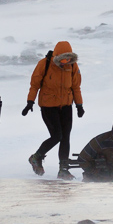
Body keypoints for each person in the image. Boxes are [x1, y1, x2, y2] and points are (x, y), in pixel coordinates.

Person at [23, 40, 83, 179]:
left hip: (66, 106)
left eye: (68, 58)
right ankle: (36, 157)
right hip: (48, 106)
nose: (65, 62)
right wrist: (29, 102)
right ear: (56, 56)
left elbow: (76, 87)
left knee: (65, 137)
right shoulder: (44, 64)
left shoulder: (72, 66)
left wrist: (79, 105)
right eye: (62, 58)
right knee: (57, 135)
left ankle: (63, 170)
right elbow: (34, 85)